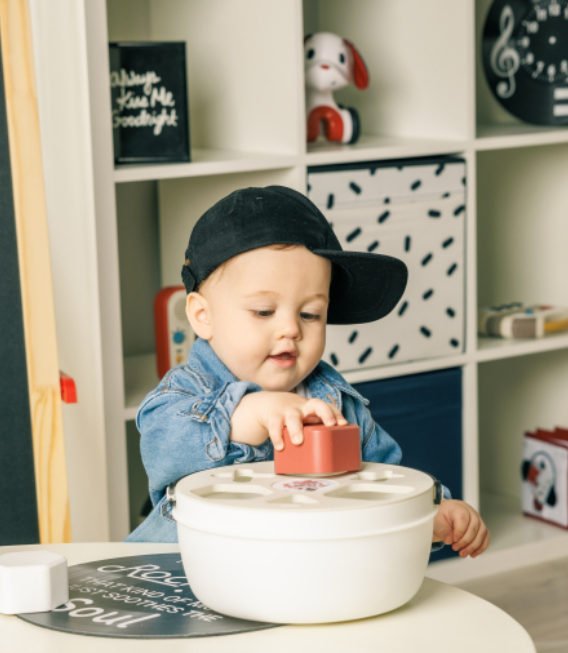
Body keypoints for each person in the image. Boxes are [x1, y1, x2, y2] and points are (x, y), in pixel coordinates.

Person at [127, 185, 490, 560]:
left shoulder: (335, 402)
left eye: (310, 314)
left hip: (308, 573)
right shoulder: (183, 393)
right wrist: (253, 411)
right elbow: (164, 447)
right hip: (189, 576)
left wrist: (429, 513)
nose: (291, 329)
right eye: (264, 311)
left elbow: (384, 479)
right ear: (203, 316)